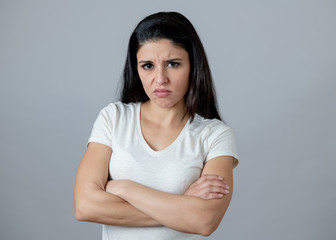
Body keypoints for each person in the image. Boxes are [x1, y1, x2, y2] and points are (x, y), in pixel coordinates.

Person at [74, 11, 239, 240]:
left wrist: (122, 188)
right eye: (148, 65)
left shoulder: (215, 135)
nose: (160, 78)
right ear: (136, 69)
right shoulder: (113, 118)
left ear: (193, 66)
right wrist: (183, 204)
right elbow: (85, 206)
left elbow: (204, 221)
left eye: (173, 64)